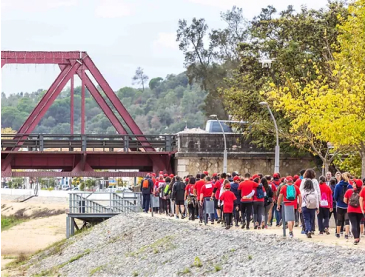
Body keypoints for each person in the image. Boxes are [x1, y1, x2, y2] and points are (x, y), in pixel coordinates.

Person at [299, 169, 320, 234]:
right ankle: (312, 229)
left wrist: (299, 203)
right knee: (312, 216)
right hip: (313, 201)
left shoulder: (303, 181)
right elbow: (318, 191)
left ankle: (306, 229)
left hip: (304, 202)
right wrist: (318, 202)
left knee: (305, 217)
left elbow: (300, 190)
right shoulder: (315, 181)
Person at [344, 179, 363, 245]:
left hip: (351, 210)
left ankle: (356, 238)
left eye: (354, 183)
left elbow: (345, 200)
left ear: (356, 185)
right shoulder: (362, 191)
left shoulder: (349, 191)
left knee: (353, 224)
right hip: (360, 210)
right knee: (358, 224)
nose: (352, 184)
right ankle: (358, 237)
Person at [334, 172, 351, 239]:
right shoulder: (350, 186)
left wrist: (337, 201)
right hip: (347, 206)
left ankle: (338, 233)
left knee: (339, 220)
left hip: (339, 205)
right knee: (347, 220)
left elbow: (335, 196)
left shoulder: (338, 186)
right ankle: (346, 234)